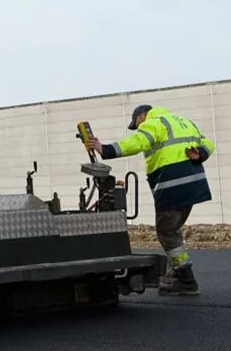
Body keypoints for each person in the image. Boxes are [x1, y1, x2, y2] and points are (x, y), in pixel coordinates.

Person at [88, 105, 216, 296]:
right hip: (193, 186)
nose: (138, 126)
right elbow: (209, 143)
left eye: (137, 122)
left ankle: (186, 280)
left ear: (142, 115)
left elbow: (137, 142)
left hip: (173, 185)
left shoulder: (154, 123)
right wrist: (201, 154)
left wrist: (105, 149)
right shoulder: (184, 122)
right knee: (173, 229)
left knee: (167, 231)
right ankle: (177, 272)